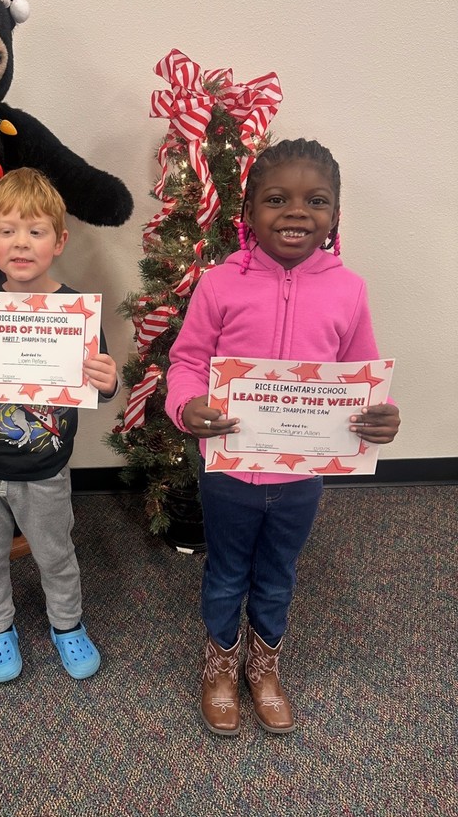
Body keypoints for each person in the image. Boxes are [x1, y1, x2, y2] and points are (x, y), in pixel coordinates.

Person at [165, 138, 401, 737]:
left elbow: (361, 375)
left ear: (335, 217)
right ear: (247, 214)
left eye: (315, 201)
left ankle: (263, 669)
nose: (297, 212)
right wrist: (186, 405)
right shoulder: (221, 284)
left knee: (277, 574)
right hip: (228, 472)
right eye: (277, 200)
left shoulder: (349, 290)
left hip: (301, 478)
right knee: (225, 572)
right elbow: (188, 362)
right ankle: (220, 668)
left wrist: (381, 416)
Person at [0, 167, 119, 683]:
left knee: (55, 553)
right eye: (8, 231)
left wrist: (108, 381)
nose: (22, 243)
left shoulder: (75, 311)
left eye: (36, 231)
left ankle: (67, 625)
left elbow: (98, 385)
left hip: (44, 467)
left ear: (59, 241)